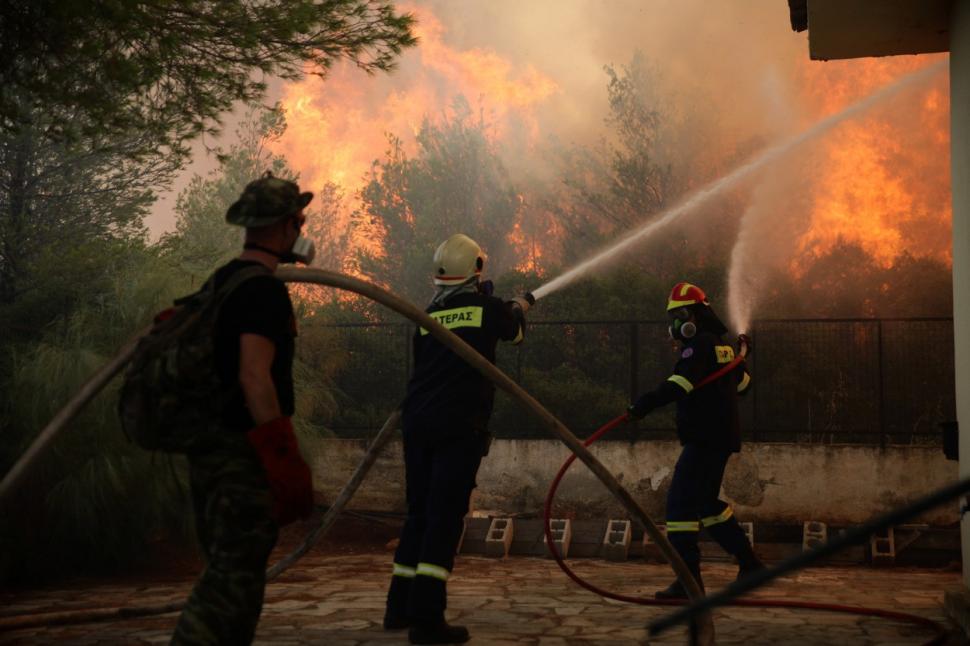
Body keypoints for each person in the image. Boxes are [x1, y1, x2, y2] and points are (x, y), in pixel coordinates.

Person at [171, 172, 316, 645]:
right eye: (300, 219)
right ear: (286, 225)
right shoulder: (262, 291)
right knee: (231, 584)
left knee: (230, 574)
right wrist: (282, 454)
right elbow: (255, 377)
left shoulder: (224, 281)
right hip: (241, 459)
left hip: (208, 451)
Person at [384, 233, 531, 645]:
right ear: (478, 268)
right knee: (445, 518)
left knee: (419, 514)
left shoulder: (428, 317)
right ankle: (428, 619)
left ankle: (399, 607)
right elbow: (515, 334)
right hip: (458, 426)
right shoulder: (487, 308)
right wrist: (515, 306)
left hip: (418, 424)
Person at [628, 281, 761, 600]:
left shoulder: (699, 344)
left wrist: (644, 404)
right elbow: (743, 386)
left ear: (690, 316)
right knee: (706, 504)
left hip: (704, 439)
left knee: (678, 506)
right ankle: (750, 564)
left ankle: (688, 583)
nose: (673, 325)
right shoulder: (721, 346)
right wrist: (739, 360)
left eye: (676, 316)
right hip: (720, 438)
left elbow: (680, 383)